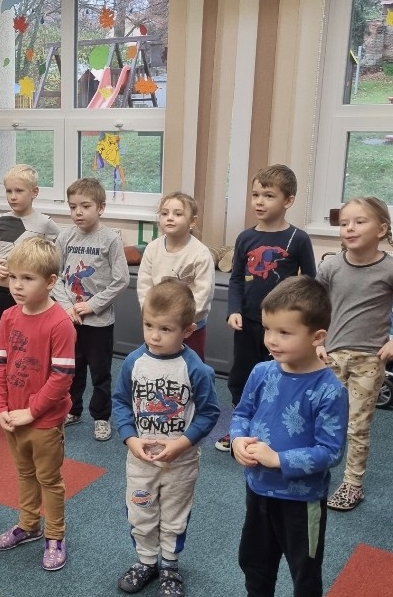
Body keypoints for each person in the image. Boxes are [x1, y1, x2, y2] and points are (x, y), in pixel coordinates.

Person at [213, 275, 347, 597]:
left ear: (317, 336)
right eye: (268, 328)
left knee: (304, 568)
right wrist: (238, 440)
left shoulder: (329, 390)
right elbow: (241, 413)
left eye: (284, 332)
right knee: (254, 553)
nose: (271, 339)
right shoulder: (261, 372)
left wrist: (278, 459)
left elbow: (330, 452)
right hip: (258, 488)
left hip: (301, 500)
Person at [317, 196, 393, 512]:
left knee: (357, 426)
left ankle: (352, 484)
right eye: (344, 223)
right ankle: (314, 470)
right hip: (330, 357)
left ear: (381, 229)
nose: (349, 228)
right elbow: (314, 304)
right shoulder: (330, 266)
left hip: (369, 360)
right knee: (324, 419)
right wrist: (316, 341)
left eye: (359, 221)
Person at [112, 280, 220, 597]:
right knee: (140, 511)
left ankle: (170, 565)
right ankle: (146, 561)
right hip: (141, 459)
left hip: (180, 462)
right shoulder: (134, 362)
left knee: (174, 515)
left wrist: (183, 443)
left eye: (165, 329)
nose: (154, 336)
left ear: (188, 330)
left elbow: (209, 412)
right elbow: (121, 402)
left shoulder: (196, 369)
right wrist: (130, 438)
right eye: (149, 325)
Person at [0, 236, 77, 571]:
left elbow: (61, 377)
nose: (17, 285)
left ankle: (55, 535)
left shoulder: (60, 323)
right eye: (13, 277)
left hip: (44, 420)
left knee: (48, 479)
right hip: (13, 417)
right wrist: (0, 408)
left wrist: (32, 411)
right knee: (24, 473)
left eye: (27, 278)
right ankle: (28, 525)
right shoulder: (9, 317)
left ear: (50, 281)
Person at [219, 165, 317, 453]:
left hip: (282, 328)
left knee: (279, 378)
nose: (259, 202)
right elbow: (236, 279)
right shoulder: (245, 238)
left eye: (269, 196)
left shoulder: (298, 239)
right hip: (248, 323)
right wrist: (233, 310)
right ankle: (239, 428)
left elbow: (309, 283)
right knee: (241, 377)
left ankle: (273, 431)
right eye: (255, 195)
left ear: (289, 200)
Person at [52, 177, 128, 441]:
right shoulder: (65, 237)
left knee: (100, 373)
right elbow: (55, 277)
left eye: (85, 206)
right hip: (69, 319)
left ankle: (101, 416)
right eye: (73, 207)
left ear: (101, 208)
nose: (78, 212)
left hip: (99, 323)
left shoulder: (110, 240)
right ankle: (73, 410)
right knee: (72, 369)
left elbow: (121, 280)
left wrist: (92, 305)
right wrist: (67, 307)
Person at [0, 164, 60, 414]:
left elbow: (55, 256)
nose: (13, 196)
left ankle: (31, 393)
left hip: (29, 299)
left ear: (34, 192)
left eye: (19, 191)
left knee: (28, 348)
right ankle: (1, 394)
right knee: (3, 346)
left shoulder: (45, 224)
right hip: (0, 293)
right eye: (8, 191)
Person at [136, 191, 215, 362]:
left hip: (189, 327)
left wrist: (180, 321)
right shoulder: (152, 249)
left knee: (190, 366)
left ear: (192, 221)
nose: (170, 218)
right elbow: (144, 286)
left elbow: (203, 294)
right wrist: (151, 314)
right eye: (164, 213)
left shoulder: (201, 253)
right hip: (158, 324)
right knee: (157, 364)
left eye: (178, 214)